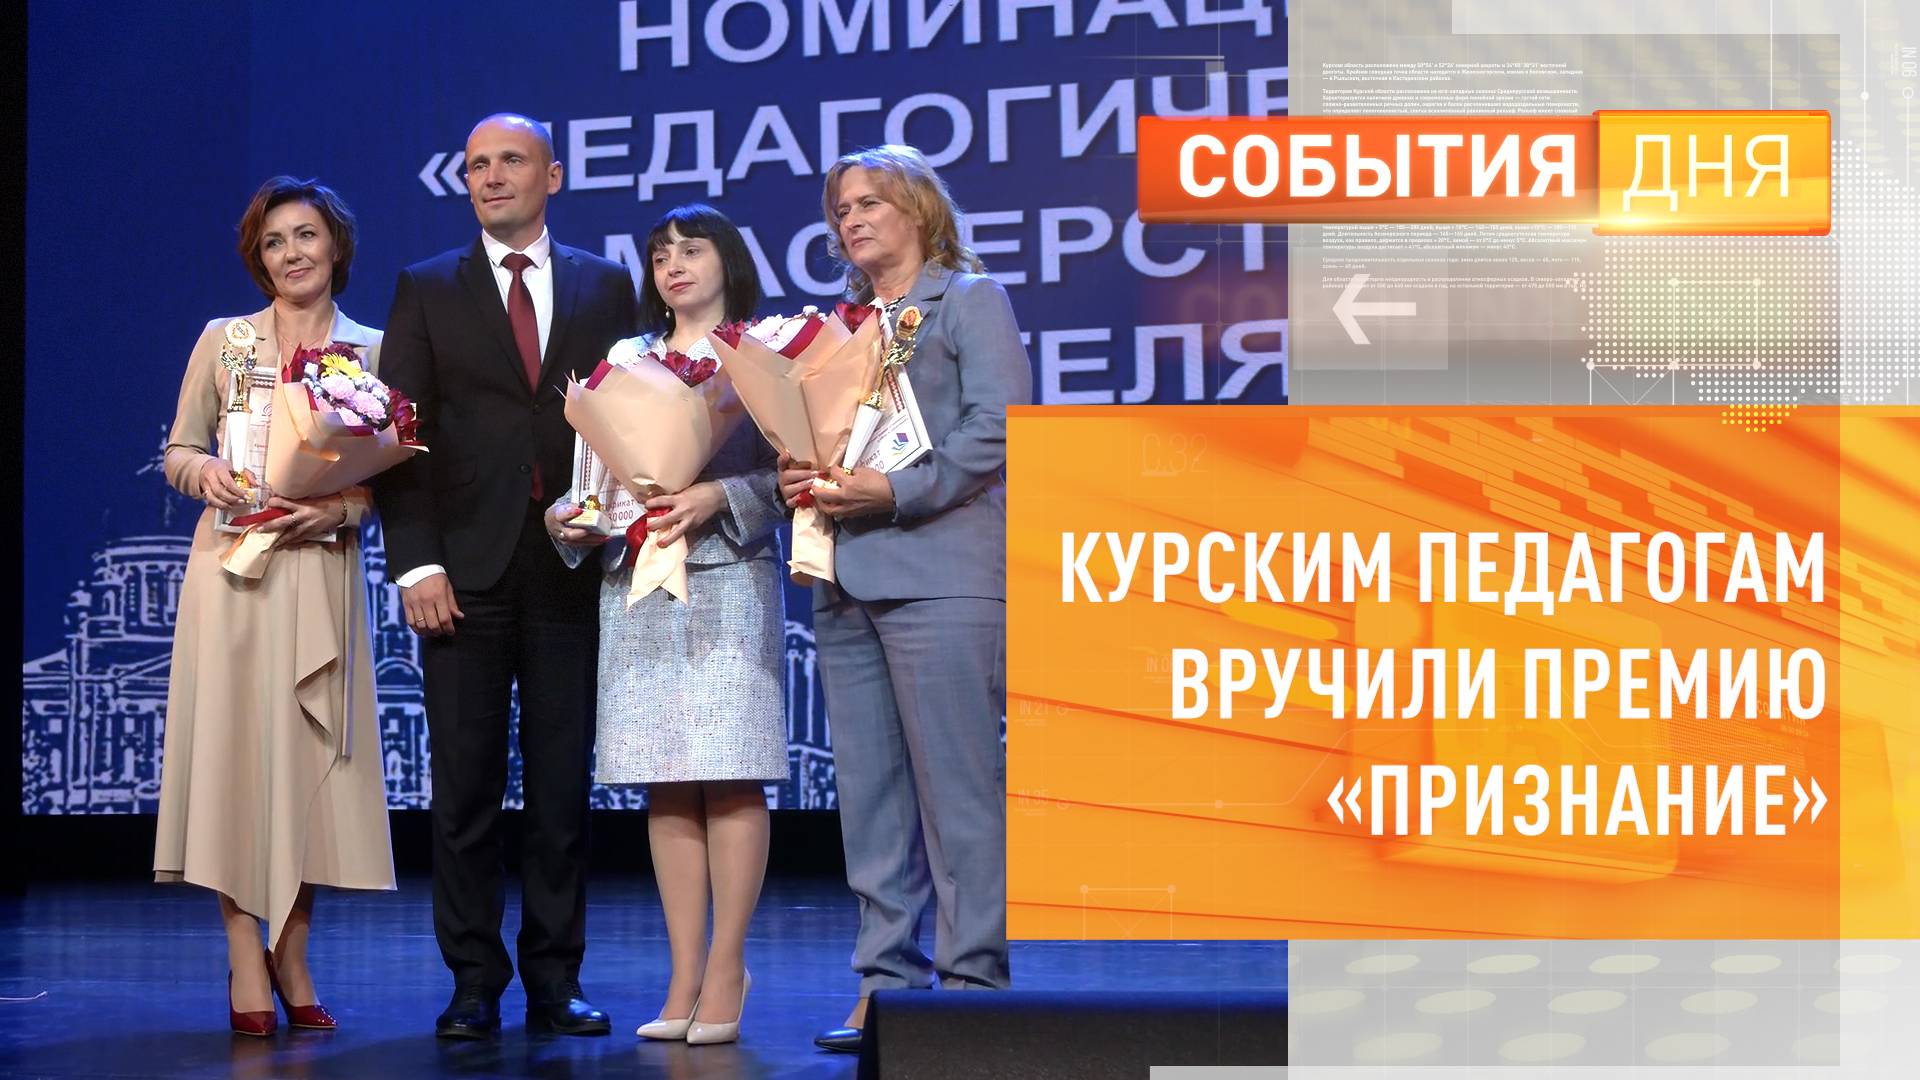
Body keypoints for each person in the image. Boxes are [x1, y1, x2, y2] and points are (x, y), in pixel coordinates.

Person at [370, 113, 637, 1039]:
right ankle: (473, 981)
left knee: (561, 788)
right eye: (476, 165)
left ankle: (556, 979)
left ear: (551, 177)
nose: (490, 177)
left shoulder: (606, 285)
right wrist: (417, 561)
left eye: (510, 161)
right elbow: (399, 437)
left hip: (568, 561)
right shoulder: (425, 287)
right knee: (465, 789)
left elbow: (629, 418)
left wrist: (612, 518)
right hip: (462, 569)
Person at [779, 145, 1032, 1053]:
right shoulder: (838, 328)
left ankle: (972, 986)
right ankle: (885, 982)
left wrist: (896, 491)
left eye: (870, 203)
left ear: (919, 211)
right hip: (847, 578)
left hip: (943, 576)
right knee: (873, 800)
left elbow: (998, 428)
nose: (851, 220)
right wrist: (798, 469)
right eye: (841, 209)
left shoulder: (968, 300)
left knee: (957, 796)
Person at [154, 175, 396, 1036]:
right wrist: (205, 473)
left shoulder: (371, 351)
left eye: (305, 236)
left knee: (307, 766)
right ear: (258, 259)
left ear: (336, 245)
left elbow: (390, 480)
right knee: (233, 760)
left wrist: (340, 510)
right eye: (273, 242)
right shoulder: (225, 342)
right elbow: (179, 448)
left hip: (318, 571)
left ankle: (293, 951)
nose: (292, 254)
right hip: (230, 573)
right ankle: (242, 949)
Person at [547, 204, 786, 1047]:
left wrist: (717, 494)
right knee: (667, 781)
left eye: (691, 250)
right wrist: (569, 520)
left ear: (729, 260)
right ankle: (683, 971)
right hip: (638, 584)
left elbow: (796, 477)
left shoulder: (765, 354)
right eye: (660, 256)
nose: (674, 266)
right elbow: (594, 480)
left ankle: (727, 965)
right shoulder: (625, 360)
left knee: (731, 772)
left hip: (729, 579)